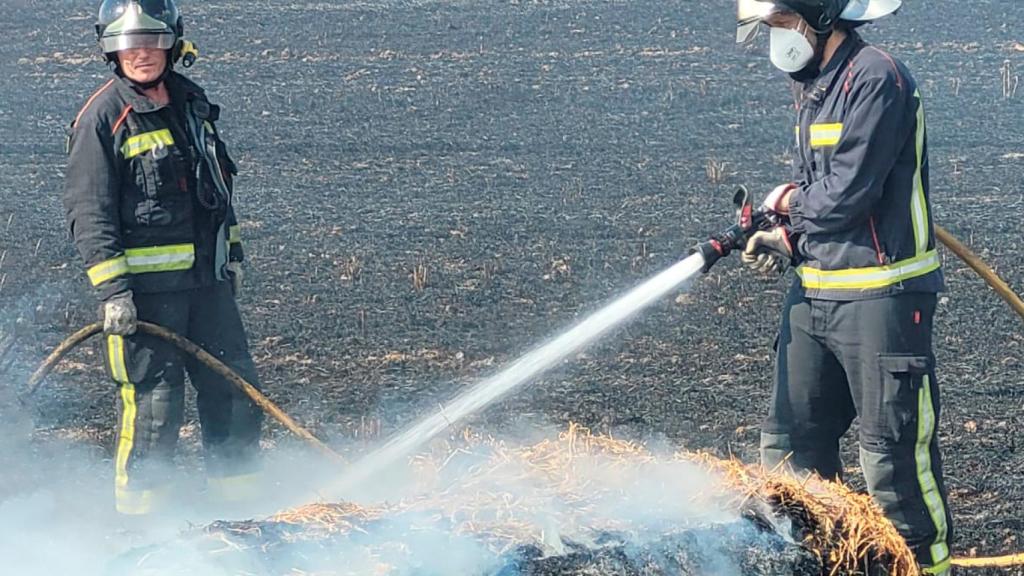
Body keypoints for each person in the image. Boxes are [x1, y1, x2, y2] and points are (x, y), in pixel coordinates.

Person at [735, 1, 952, 573]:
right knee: (789, 452)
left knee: (891, 464)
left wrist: (786, 205)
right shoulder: (815, 86)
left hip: (881, 297)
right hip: (814, 294)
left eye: (781, 24)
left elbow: (847, 193)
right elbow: (825, 195)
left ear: (819, 14)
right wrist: (788, 240)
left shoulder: (877, 76)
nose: (776, 39)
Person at [63, 0, 263, 515]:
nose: (141, 54)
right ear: (112, 49)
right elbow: (90, 212)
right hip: (146, 300)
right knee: (155, 409)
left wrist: (230, 255)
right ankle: (145, 530)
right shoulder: (103, 118)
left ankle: (239, 519)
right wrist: (114, 294)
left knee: (236, 395)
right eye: (129, 44)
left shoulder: (191, 101)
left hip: (207, 287)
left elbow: (216, 187)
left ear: (171, 42)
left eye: (151, 42)